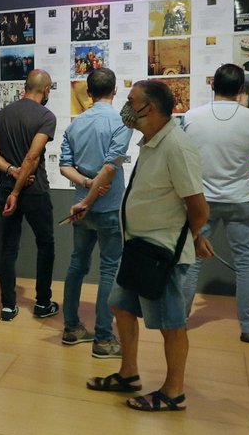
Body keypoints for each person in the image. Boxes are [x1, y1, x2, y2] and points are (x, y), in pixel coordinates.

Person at [75, 80, 212, 412]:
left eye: (131, 100)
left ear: (149, 108)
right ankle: (129, 373)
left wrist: (189, 237)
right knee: (120, 306)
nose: (126, 105)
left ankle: (173, 392)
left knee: (171, 322)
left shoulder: (176, 146)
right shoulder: (152, 141)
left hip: (161, 253)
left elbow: (198, 208)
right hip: (139, 248)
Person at [179, 64, 249, 343]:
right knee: (246, 264)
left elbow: (186, 156)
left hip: (201, 200)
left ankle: (178, 322)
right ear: (242, 90)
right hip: (239, 199)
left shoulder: (192, 117)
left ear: (212, 86)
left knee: (190, 262)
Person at [57, 68, 131, 356]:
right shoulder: (120, 122)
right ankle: (102, 338)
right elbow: (111, 167)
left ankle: (72, 328)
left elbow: (65, 166)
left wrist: (85, 190)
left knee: (77, 265)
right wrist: (92, 193)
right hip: (108, 208)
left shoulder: (75, 125)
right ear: (115, 91)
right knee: (109, 269)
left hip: (81, 210)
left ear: (88, 92)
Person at [0, 68, 59, 321]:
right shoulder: (46, 116)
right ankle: (42, 303)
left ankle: (7, 306)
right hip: (34, 191)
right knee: (45, 244)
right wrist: (19, 184)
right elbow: (33, 156)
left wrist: (11, 171)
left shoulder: (1, 115)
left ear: (24, 87)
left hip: (6, 189)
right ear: (46, 90)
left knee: (8, 247)